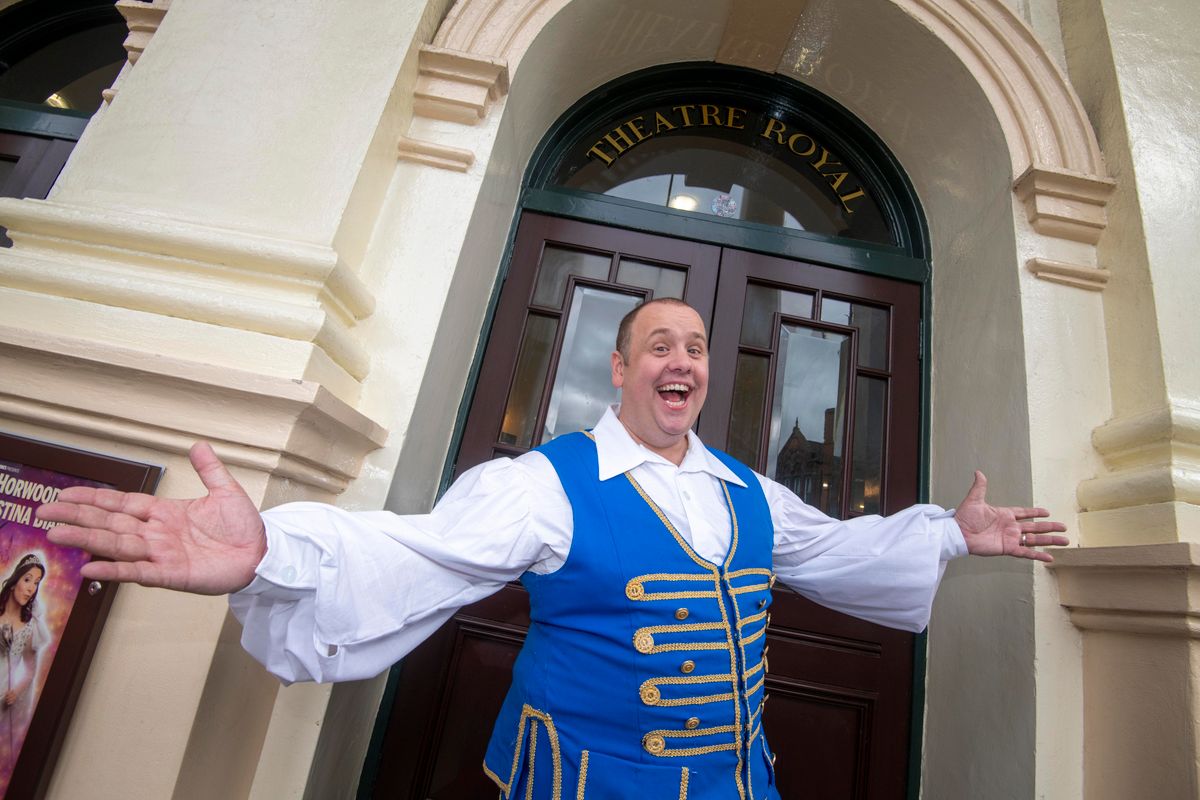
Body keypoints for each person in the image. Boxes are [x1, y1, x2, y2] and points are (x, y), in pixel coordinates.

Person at [36, 299, 1068, 799]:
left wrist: (950, 531)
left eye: (698, 347)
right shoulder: (543, 485)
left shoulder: (748, 489)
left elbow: (841, 551)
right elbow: (418, 552)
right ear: (618, 369)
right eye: (660, 343)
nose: (683, 359)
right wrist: (269, 550)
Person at [0, 553, 47, 770]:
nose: (31, 588)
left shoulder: (30, 629)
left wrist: (15, 692)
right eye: (27, 580)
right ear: (15, 580)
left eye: (36, 583)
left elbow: (29, 670)